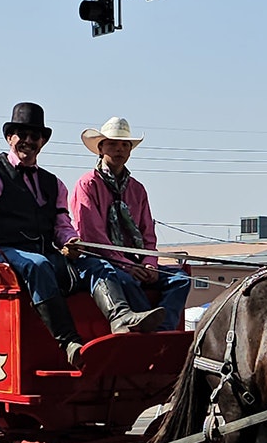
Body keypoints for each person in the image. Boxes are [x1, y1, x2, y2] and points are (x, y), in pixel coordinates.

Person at [0, 102, 162, 367]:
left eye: (35, 136)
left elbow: (62, 224)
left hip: (41, 255)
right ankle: (69, 341)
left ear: (42, 142)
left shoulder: (53, 183)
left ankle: (121, 317)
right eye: (21, 134)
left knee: (96, 264)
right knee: (39, 265)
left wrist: (71, 242)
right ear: (9, 137)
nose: (28, 140)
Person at [69, 117, 190, 331]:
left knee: (179, 278)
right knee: (124, 280)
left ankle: (164, 330)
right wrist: (127, 265)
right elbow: (93, 237)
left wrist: (149, 262)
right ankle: (150, 331)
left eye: (125, 145)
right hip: (101, 262)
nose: (119, 149)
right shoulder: (87, 185)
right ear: (100, 148)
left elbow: (148, 235)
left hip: (136, 262)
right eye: (113, 144)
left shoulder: (137, 189)